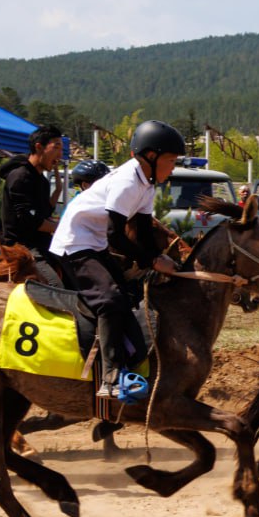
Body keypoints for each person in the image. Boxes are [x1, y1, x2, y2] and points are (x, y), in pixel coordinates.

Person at [49, 120, 184, 401]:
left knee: (127, 294)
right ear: (150, 156)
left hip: (93, 242)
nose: (173, 167)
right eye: (170, 160)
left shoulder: (146, 184)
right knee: (109, 300)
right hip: (74, 244)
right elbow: (117, 235)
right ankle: (111, 377)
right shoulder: (126, 181)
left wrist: (157, 258)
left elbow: (144, 231)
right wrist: (151, 261)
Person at [0, 124, 64, 258]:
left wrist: (58, 189)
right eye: (56, 148)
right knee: (53, 280)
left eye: (62, 149)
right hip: (21, 250)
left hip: (41, 245)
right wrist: (63, 227)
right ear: (39, 147)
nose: (60, 154)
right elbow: (29, 220)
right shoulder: (20, 177)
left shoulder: (42, 181)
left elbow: (44, 214)